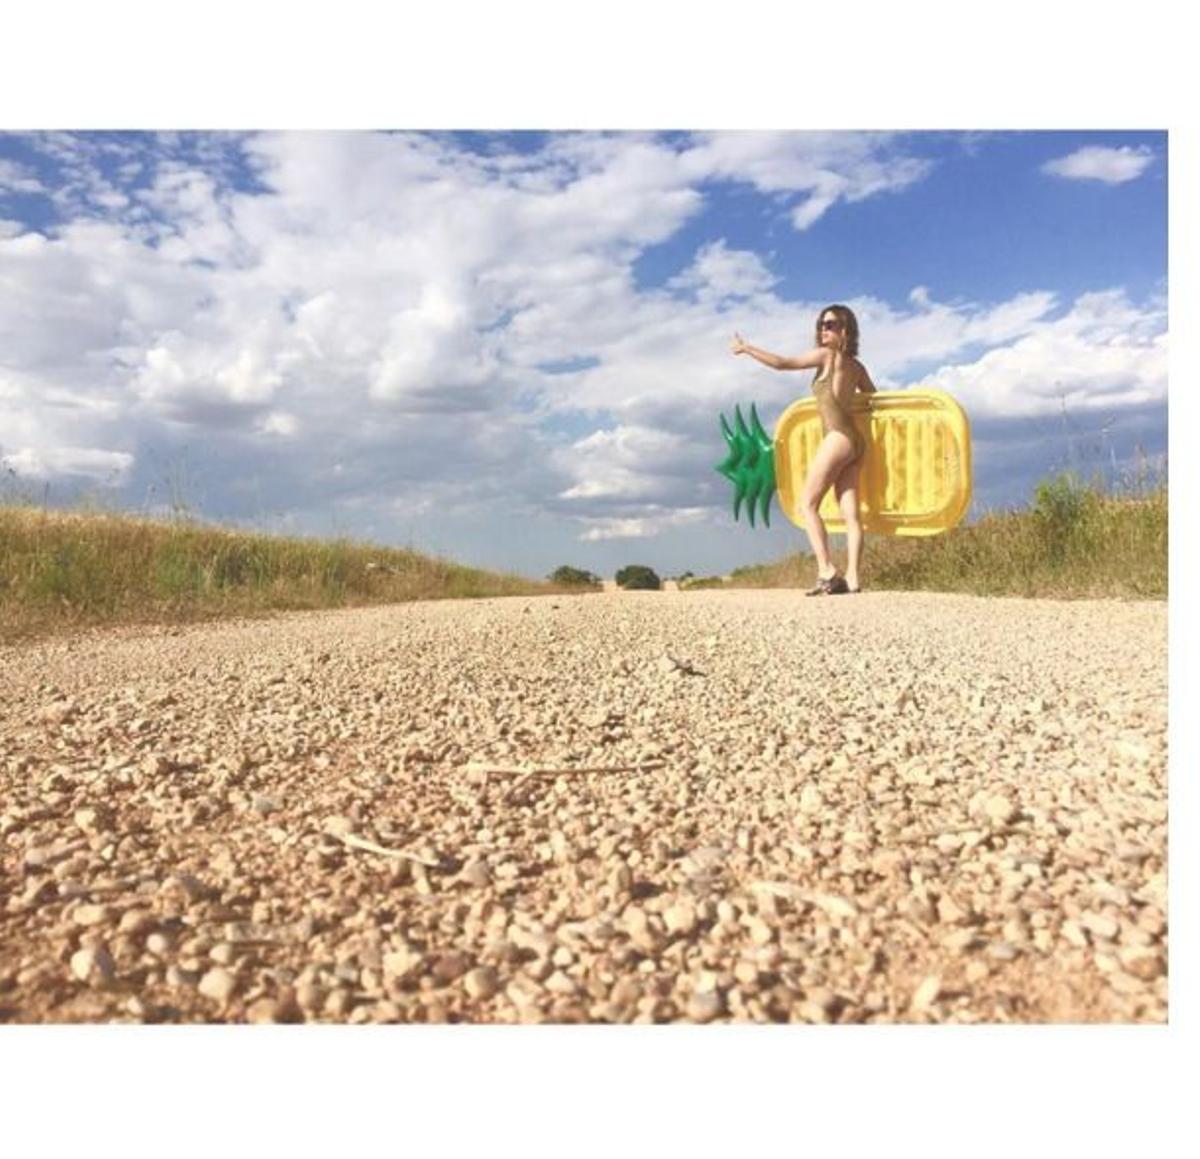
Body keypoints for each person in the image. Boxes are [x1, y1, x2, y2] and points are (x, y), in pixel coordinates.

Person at [731, 304, 876, 594]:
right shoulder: (858, 368)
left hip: (837, 438)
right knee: (851, 515)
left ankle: (827, 570)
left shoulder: (826, 357)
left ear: (846, 329)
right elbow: (873, 400)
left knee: (806, 504)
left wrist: (748, 349)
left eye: (831, 324)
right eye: (821, 324)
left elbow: (782, 363)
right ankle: (853, 579)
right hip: (856, 442)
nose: (823, 329)